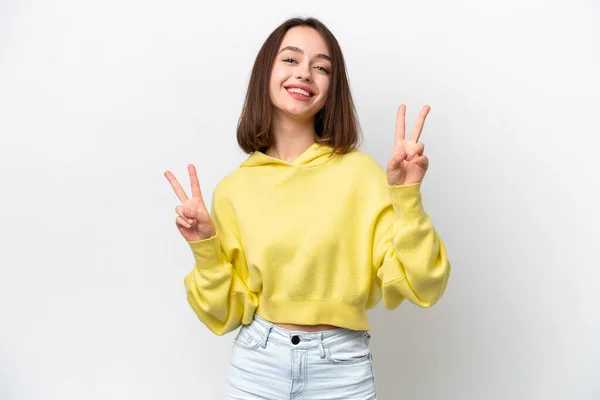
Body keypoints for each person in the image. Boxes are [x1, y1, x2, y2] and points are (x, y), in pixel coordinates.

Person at [164, 16, 451, 400]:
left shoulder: (362, 176)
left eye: (321, 67)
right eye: (291, 60)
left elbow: (423, 284)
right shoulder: (234, 189)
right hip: (258, 366)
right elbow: (224, 313)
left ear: (332, 87)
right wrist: (204, 247)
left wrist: (407, 196)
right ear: (265, 71)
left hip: (341, 368)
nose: (305, 74)